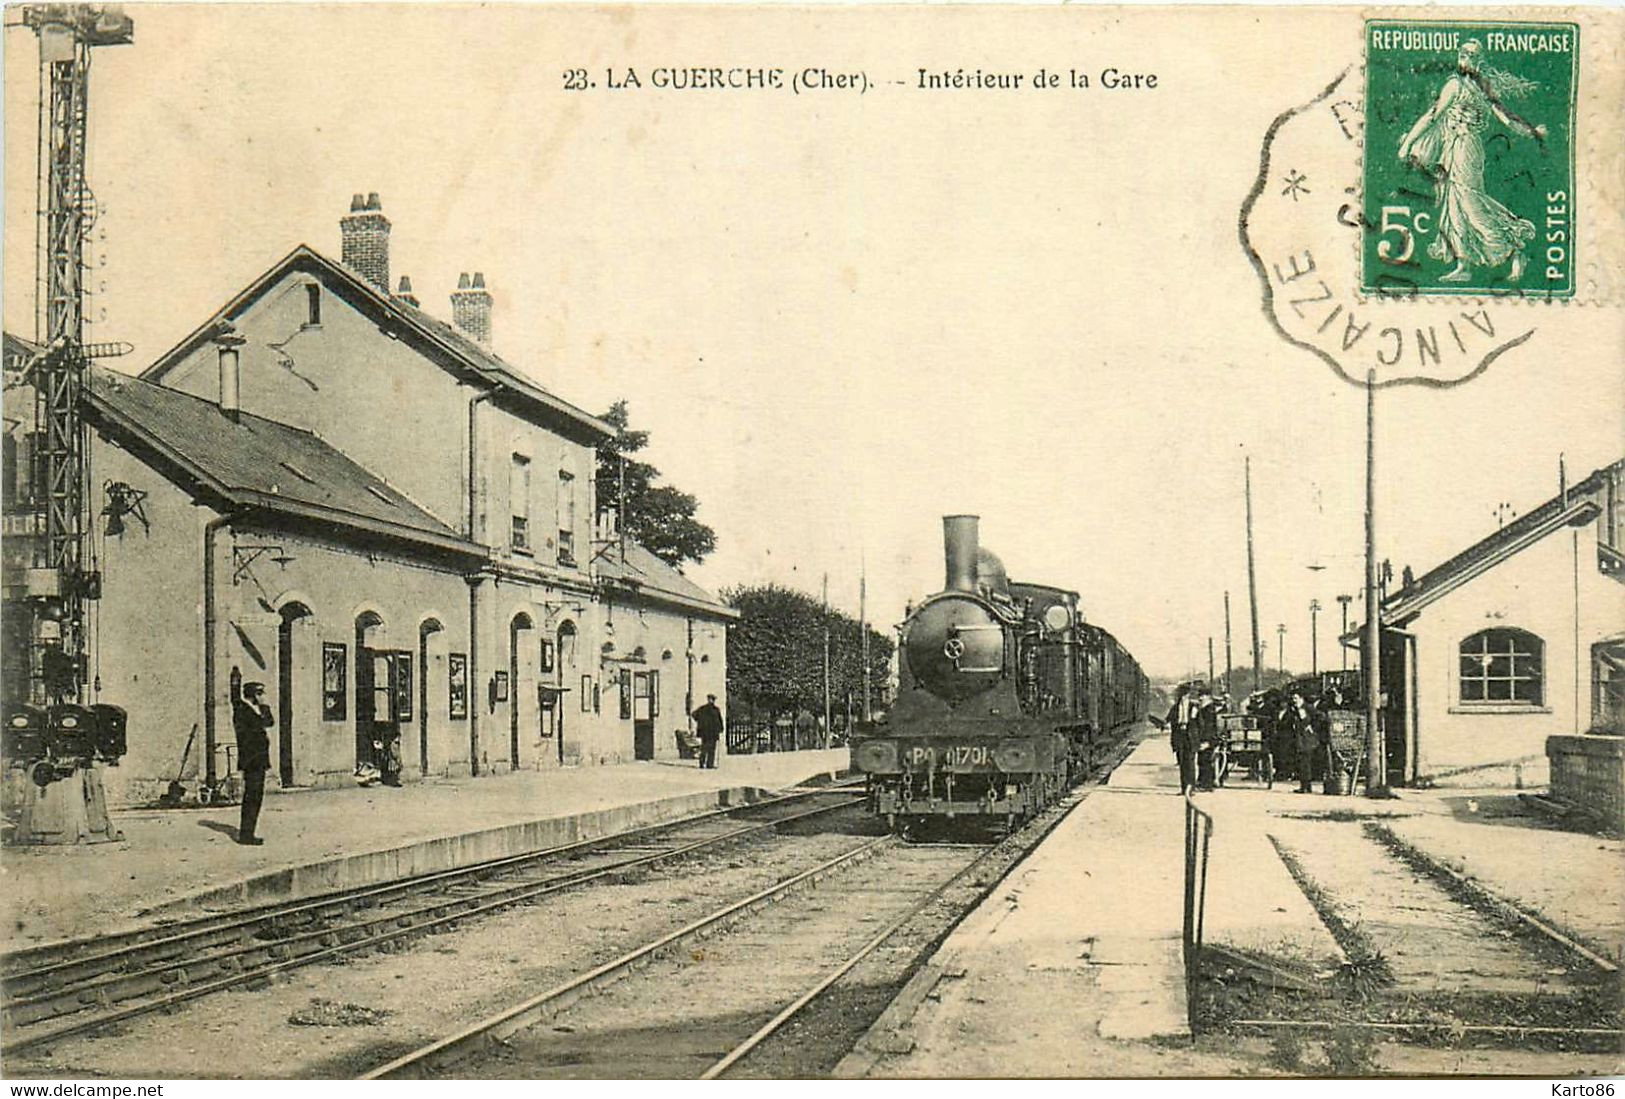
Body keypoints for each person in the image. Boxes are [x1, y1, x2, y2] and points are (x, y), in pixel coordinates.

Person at [1397, 39, 1547, 283]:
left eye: (1471, 55)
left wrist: (1532, 132)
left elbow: (1505, 119)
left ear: (1479, 60)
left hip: (1466, 148)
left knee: (1469, 202)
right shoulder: (1462, 85)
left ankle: (1514, 249)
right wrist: (1408, 144)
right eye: (1463, 53)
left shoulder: (1468, 87)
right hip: (1455, 147)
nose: (1466, 58)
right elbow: (1434, 116)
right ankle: (1463, 264)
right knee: (1453, 203)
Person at [233, 681, 274, 844]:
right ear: (254, 694)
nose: (263, 696)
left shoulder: (256, 709)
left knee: (256, 797)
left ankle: (249, 832)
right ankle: (246, 835)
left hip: (259, 760)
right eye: (260, 693)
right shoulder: (242, 710)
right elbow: (254, 730)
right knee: (252, 796)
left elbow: (270, 722)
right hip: (252, 760)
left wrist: (265, 707)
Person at [1282, 691, 1320, 794]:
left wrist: (1312, 727)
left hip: (1307, 739)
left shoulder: (1307, 708)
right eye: (1293, 698)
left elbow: (1316, 718)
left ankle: (1306, 786)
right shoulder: (1294, 709)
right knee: (1301, 763)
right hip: (1299, 739)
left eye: (1296, 698)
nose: (1294, 700)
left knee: (1305, 763)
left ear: (1301, 698)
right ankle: (1305, 786)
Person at [1164, 684, 1199, 796]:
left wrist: (1199, 738)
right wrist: (1165, 724)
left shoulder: (1194, 706)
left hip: (1190, 737)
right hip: (1179, 736)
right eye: (1182, 694)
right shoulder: (1175, 707)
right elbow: (1168, 720)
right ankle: (1184, 788)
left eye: (1184, 694)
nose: (1183, 697)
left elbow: (1199, 723)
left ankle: (1191, 788)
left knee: (1190, 763)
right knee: (1182, 763)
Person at [1191, 687, 1221, 790]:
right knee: (1202, 760)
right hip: (1204, 738)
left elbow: (1208, 727)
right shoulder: (1206, 708)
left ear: (1208, 697)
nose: (1200, 698)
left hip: (1208, 738)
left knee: (1206, 761)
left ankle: (1207, 784)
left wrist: (1207, 741)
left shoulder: (1209, 709)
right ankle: (1203, 781)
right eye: (1199, 696)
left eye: (1202, 696)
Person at [691, 694, 724, 770]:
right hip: (709, 732)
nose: (710, 701)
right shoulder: (708, 709)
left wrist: (699, 722)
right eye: (710, 699)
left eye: (711, 699)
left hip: (708, 732)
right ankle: (705, 764)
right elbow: (694, 715)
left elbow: (719, 721)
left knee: (708, 748)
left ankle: (707, 764)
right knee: (707, 749)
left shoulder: (708, 709)